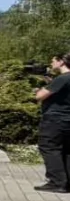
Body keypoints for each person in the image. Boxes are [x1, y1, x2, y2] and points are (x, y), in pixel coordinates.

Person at [35, 53, 70, 193]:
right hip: (67, 119)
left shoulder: (62, 78)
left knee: (49, 147)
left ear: (61, 62)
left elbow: (40, 96)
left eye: (53, 60)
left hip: (55, 119)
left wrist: (39, 90)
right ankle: (66, 181)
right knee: (67, 150)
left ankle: (57, 181)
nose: (51, 63)